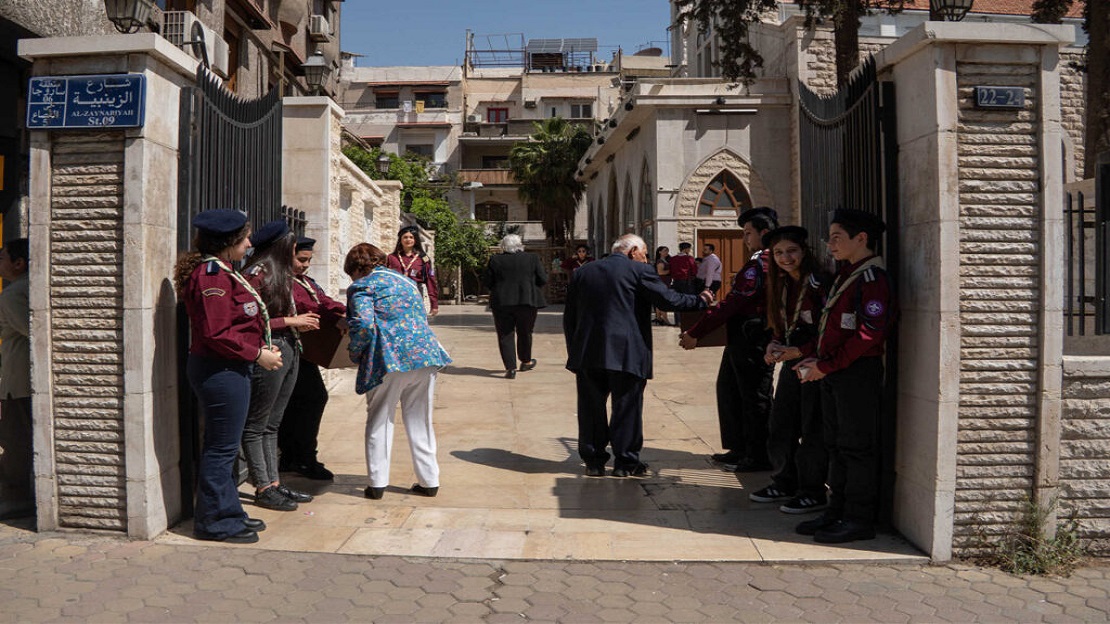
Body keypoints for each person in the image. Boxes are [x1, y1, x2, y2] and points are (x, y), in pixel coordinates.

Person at [564, 234, 714, 478]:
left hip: (588, 353)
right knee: (627, 408)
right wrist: (700, 300)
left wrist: (574, 351)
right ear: (633, 250)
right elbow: (667, 300)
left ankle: (594, 461)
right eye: (644, 254)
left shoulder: (584, 272)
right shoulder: (638, 270)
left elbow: (570, 317)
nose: (646, 259)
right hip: (627, 353)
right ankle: (625, 463)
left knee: (591, 408)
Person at [175, 209, 280, 544]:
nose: (249, 243)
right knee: (221, 449)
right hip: (219, 370)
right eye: (244, 238)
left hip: (230, 368)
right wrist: (257, 354)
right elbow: (216, 333)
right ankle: (214, 522)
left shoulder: (223, 271)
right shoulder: (211, 276)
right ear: (228, 241)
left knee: (226, 446)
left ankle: (229, 510)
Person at [792, 209, 896, 544]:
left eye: (838, 237)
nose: (830, 244)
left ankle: (857, 518)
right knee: (835, 445)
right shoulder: (844, 274)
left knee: (856, 448)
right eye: (830, 236)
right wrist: (812, 357)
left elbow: (868, 334)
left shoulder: (872, 279)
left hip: (856, 374)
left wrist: (825, 365)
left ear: (860, 239)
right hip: (836, 372)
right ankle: (835, 511)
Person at [345, 242, 451, 500]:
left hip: (389, 359)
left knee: (380, 417)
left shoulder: (363, 286)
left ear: (358, 268)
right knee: (420, 419)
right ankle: (429, 480)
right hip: (425, 355)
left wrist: (355, 351)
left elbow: (363, 325)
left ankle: (378, 483)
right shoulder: (406, 282)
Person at [680, 207, 779, 473]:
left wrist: (696, 332)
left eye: (748, 233)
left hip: (753, 337)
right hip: (740, 336)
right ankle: (740, 447)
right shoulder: (758, 261)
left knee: (753, 395)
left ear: (764, 233)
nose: (745, 239)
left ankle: (758, 454)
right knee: (730, 389)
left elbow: (734, 303)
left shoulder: (763, 263)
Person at [747, 226, 830, 515]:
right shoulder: (781, 284)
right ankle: (785, 480)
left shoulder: (819, 283)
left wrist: (802, 351)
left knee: (811, 429)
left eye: (791, 251)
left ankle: (812, 491)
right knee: (781, 423)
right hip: (793, 362)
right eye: (779, 253)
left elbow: (829, 331)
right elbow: (781, 324)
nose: (786, 258)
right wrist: (775, 343)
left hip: (815, 365)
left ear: (804, 251)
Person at [242, 220, 319, 512]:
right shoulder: (257, 275)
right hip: (270, 348)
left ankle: (273, 482)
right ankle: (262, 486)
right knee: (257, 424)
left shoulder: (281, 274)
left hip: (289, 347)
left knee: (273, 423)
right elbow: (246, 321)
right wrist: (288, 322)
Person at [278, 236, 347, 480]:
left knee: (302, 400)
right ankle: (302, 458)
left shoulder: (305, 281)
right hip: (285, 349)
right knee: (312, 397)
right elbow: (308, 306)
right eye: (301, 259)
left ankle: (294, 456)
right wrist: (333, 315)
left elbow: (322, 301)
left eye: (308, 260)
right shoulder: (282, 282)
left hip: (303, 351)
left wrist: (342, 311)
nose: (306, 265)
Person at [482, 234, 547, 379]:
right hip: (527, 301)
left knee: (505, 334)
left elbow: (487, 281)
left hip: (502, 303)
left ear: (503, 246)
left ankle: (510, 368)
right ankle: (526, 361)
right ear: (520, 244)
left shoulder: (495, 260)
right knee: (525, 332)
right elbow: (543, 278)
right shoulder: (532, 258)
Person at [0, 238, 32, 520]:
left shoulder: (12, 294)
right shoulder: (31, 288)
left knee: (15, 441)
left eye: (2, 258)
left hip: (18, 382)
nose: (0, 264)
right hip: (26, 380)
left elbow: (28, 330)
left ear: (18, 263)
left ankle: (16, 498)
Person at [387, 225, 439, 316]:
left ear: (415, 240)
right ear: (400, 240)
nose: (408, 240)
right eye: (405, 237)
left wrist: (434, 304)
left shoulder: (423, 258)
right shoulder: (391, 258)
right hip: (395, 297)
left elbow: (430, 281)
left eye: (411, 237)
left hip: (415, 296)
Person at [653, 246, 672, 326]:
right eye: (664, 251)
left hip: (666, 282)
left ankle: (658, 318)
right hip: (662, 282)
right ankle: (665, 318)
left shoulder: (666, 260)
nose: (666, 252)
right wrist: (671, 270)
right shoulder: (660, 261)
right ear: (660, 252)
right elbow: (661, 272)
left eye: (667, 251)